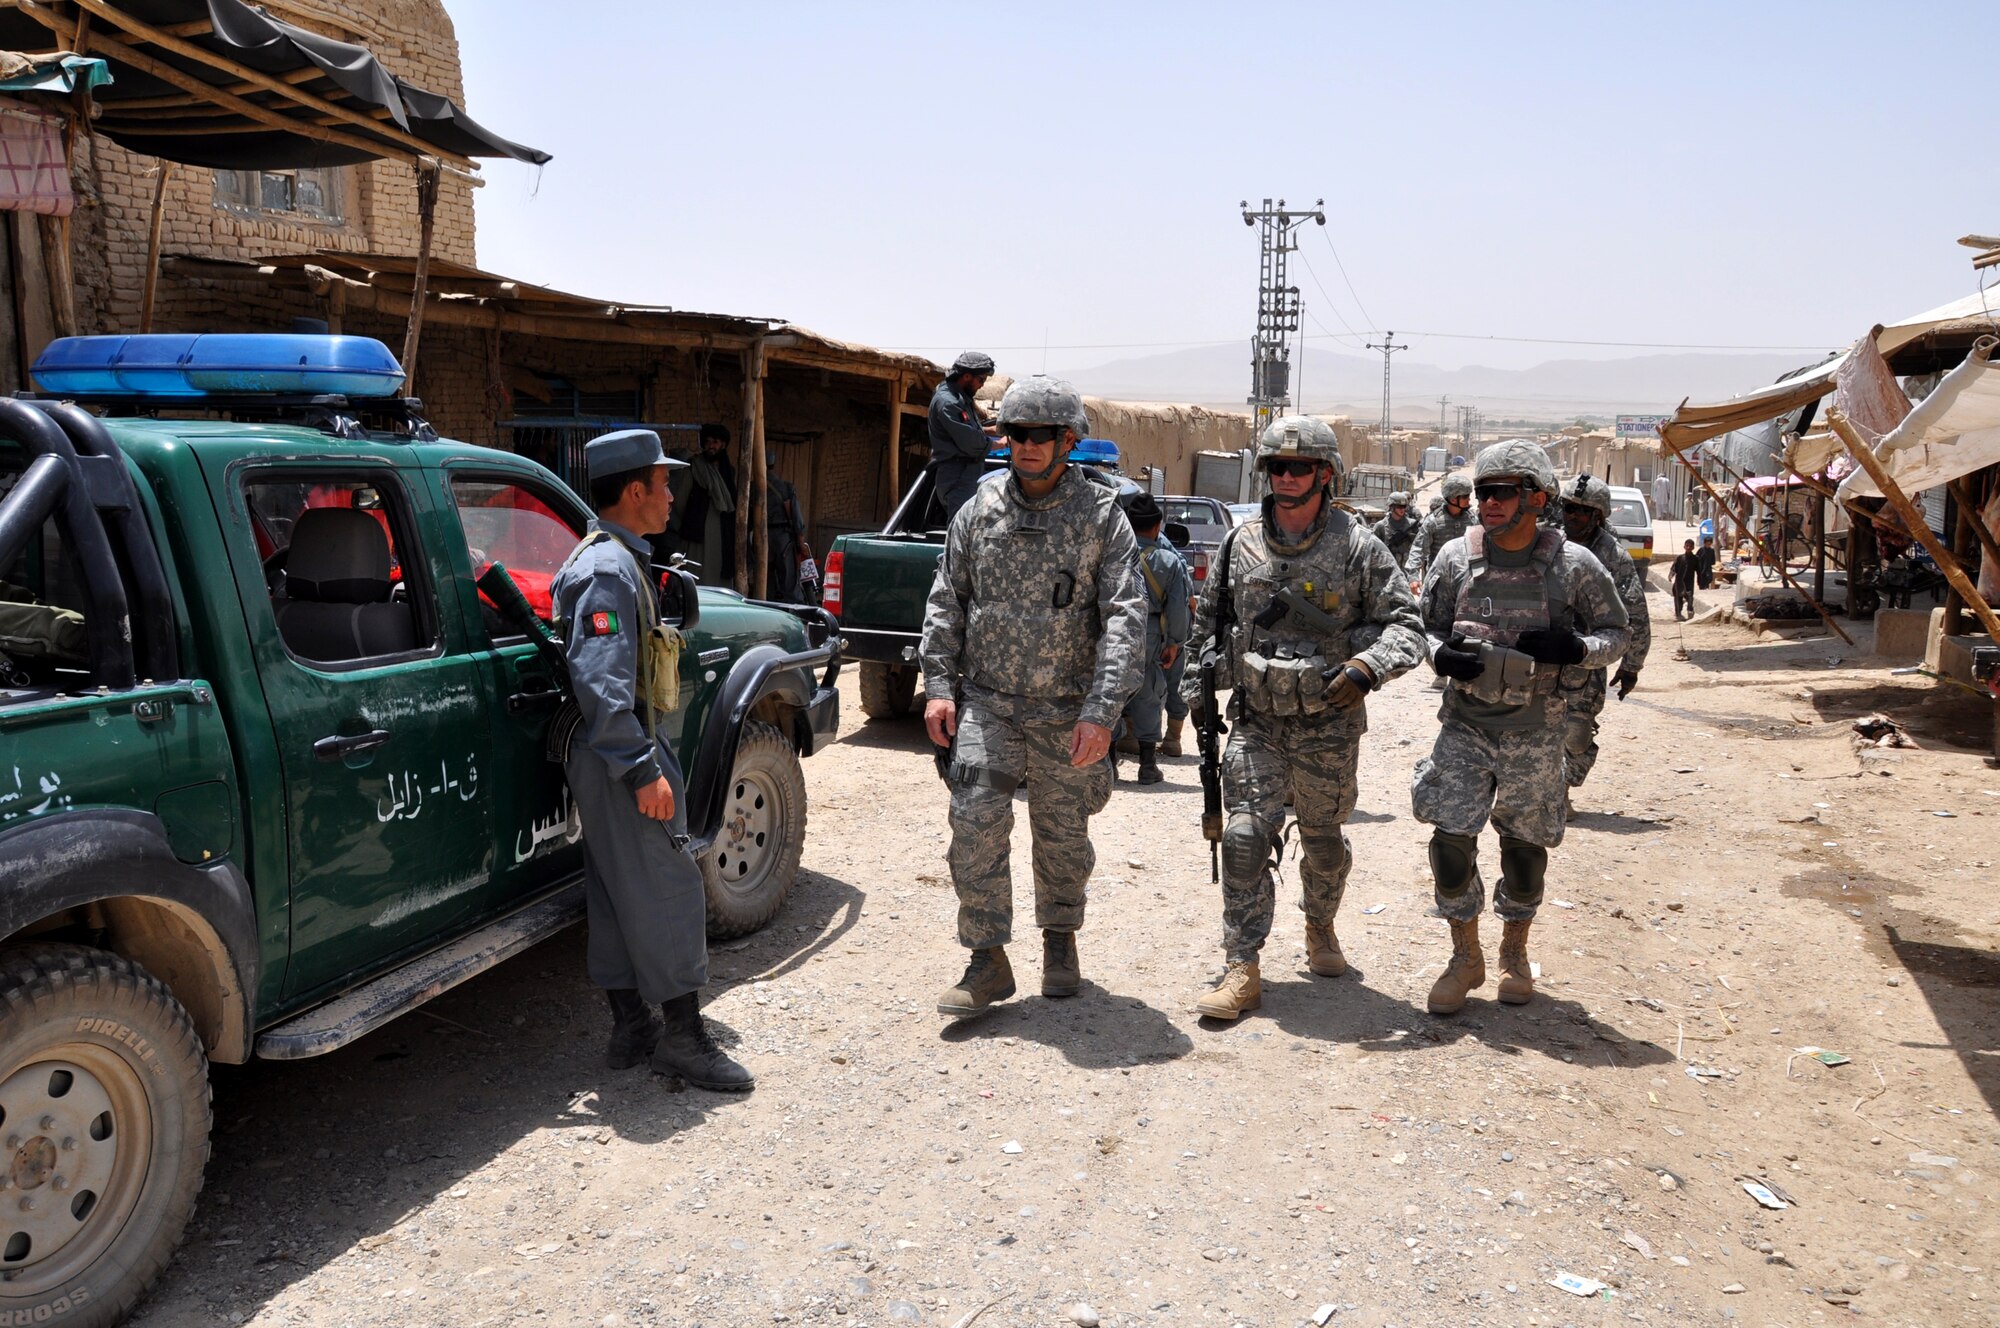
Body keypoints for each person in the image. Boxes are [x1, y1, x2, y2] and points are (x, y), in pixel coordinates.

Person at [1183, 416, 1426, 1021]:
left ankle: (1320, 923)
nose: (1286, 477)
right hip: (1258, 720)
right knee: (1243, 837)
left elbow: (1408, 626)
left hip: (1328, 724)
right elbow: (1207, 628)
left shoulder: (1358, 546)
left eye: (1299, 467)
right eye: (1275, 467)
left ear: (1324, 473)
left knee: (1322, 843)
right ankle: (1243, 966)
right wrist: (1195, 692)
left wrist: (1369, 665)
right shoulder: (1240, 546)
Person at [920, 375, 1146, 1017]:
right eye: (1015, 433)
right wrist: (939, 687)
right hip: (988, 702)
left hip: (1065, 709)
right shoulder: (978, 510)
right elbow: (947, 603)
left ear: (1067, 441)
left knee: (1061, 834)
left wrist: (1101, 713)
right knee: (973, 822)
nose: (1025, 445)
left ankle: (1060, 939)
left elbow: (1126, 620)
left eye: (1039, 436)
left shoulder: (1102, 517)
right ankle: (987, 959)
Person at [552, 429, 753, 1091]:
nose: (672, 495)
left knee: (616, 890)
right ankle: (684, 1040)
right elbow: (602, 682)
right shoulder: (606, 569)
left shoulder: (610, 559)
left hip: (611, 747)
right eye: (664, 484)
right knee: (669, 888)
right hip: (622, 748)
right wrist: (642, 769)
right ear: (635, 492)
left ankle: (631, 1026)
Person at [1413, 439, 1629, 1015]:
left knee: (1524, 852)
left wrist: (1577, 647)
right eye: (1483, 492)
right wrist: (1440, 655)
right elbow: (1419, 628)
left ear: (1536, 498)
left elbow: (1617, 634)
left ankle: (1513, 950)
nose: (1487, 502)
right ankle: (1465, 956)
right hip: (1465, 724)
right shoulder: (1456, 559)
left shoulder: (1576, 566)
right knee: (1450, 846)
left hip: (1537, 730)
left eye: (1501, 492)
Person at [1556, 475, 1651, 801]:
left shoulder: (1613, 557)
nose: (1572, 517)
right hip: (1542, 651)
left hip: (1587, 656)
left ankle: (1562, 791)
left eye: (1582, 512)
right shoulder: (1547, 542)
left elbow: (1635, 612)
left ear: (1598, 516)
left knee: (1576, 732)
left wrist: (1632, 664)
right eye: (1568, 508)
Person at [1115, 492, 1193, 785]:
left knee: (1111, 689)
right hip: (1150, 635)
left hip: (1114, 629)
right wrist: (1174, 642)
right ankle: (1147, 765)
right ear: (1158, 526)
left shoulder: (1113, 553)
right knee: (1150, 692)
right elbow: (1177, 607)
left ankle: (1109, 763)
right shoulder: (1169, 561)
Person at [929, 351, 999, 520]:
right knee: (961, 533)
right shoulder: (949, 402)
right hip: (958, 477)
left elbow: (966, 430)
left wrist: (990, 430)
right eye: (980, 380)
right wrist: (1002, 443)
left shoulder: (959, 398)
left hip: (964, 475)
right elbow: (972, 443)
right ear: (967, 376)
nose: (982, 385)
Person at [669, 424, 738, 585]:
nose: (711, 446)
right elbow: (680, 503)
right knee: (700, 575)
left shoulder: (729, 471)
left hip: (724, 533)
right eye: (707, 442)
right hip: (698, 536)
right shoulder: (694, 467)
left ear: (723, 445)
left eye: (715, 442)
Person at [1405, 474, 1474, 594]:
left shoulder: (1472, 520)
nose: (1469, 499)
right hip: (1438, 584)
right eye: (1466, 496)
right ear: (1453, 499)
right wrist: (1413, 576)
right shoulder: (1433, 522)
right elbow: (1418, 548)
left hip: (1464, 582)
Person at [763, 451, 813, 603]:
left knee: (767, 580)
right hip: (783, 538)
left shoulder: (752, 487)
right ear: (773, 465)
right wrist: (800, 540)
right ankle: (795, 613)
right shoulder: (786, 488)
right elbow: (796, 516)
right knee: (789, 579)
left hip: (762, 538)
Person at [1373, 491, 1420, 569]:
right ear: (1391, 507)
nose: (1402, 509)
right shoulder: (1381, 526)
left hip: (1407, 570)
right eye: (1399, 506)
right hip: (1387, 570)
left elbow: (1419, 548)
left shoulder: (1412, 525)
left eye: (1404, 506)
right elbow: (1373, 549)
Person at [1671, 538, 1700, 619]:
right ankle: (1678, 613)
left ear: (1693, 548)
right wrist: (1671, 575)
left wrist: (1699, 581)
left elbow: (1698, 570)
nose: (1688, 548)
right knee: (1678, 598)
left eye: (1690, 546)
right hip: (1679, 581)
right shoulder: (1680, 558)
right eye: (1687, 546)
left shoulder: (1695, 559)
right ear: (1684, 547)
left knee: (1690, 596)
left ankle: (1690, 610)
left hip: (1689, 581)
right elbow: (1674, 568)